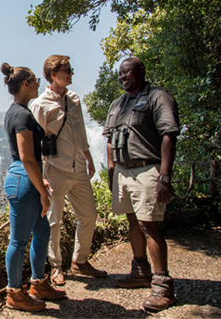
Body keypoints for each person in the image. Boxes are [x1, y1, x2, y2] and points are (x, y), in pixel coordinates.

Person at [103, 57, 179, 311]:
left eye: (127, 72)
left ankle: (163, 287)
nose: (123, 77)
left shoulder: (158, 98)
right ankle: (140, 272)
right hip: (123, 172)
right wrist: (112, 172)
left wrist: (164, 177)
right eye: (120, 74)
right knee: (133, 222)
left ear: (142, 71)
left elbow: (169, 135)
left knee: (150, 225)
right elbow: (110, 142)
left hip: (148, 169)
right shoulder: (117, 104)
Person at [29, 55, 107, 286]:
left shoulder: (74, 99)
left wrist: (88, 157)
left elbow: (80, 131)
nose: (71, 74)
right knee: (54, 221)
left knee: (89, 215)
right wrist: (41, 176)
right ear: (53, 75)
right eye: (67, 71)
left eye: (71, 70)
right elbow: (34, 142)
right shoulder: (40, 104)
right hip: (55, 170)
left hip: (79, 168)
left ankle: (80, 261)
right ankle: (55, 267)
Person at [0, 62, 66, 312]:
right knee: (18, 240)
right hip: (24, 180)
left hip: (26, 176)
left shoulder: (15, 111)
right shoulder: (23, 115)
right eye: (36, 80)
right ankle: (15, 293)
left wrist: (40, 179)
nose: (40, 83)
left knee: (41, 232)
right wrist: (41, 190)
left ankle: (38, 283)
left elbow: (28, 159)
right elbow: (27, 157)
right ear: (26, 84)